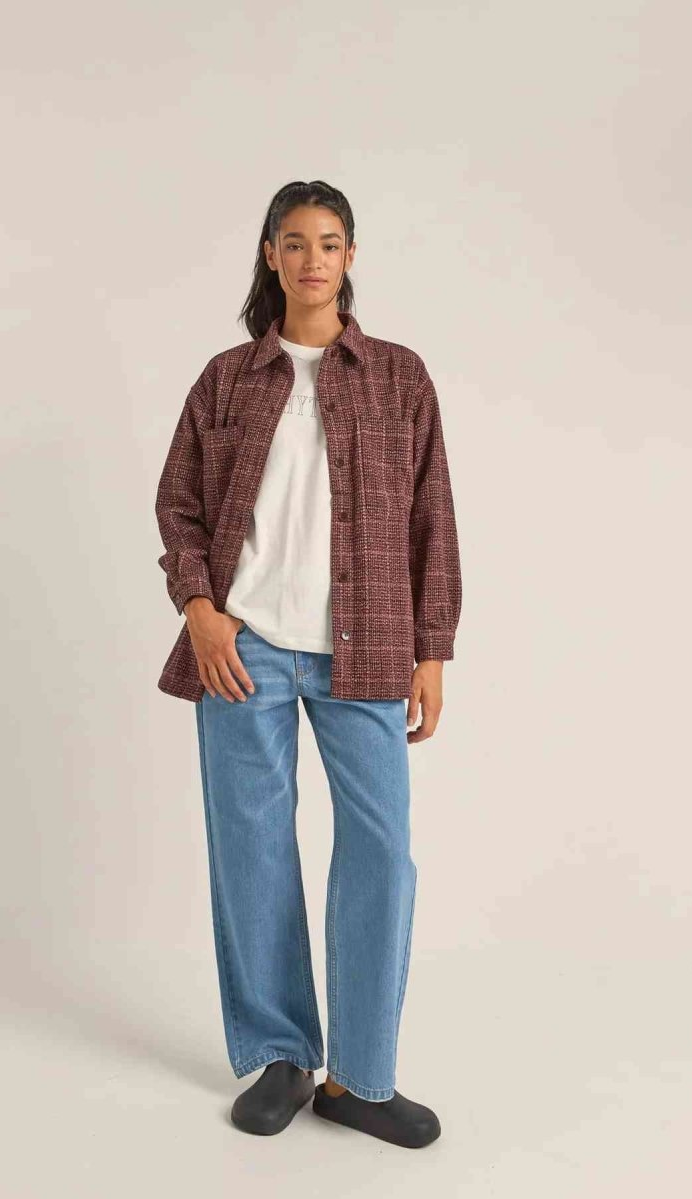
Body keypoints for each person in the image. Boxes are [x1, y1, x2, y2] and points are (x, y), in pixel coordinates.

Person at [154, 180, 462, 1149]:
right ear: (270, 256)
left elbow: (432, 516)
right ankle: (282, 1055)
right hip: (241, 648)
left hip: (365, 647)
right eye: (294, 242)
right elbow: (178, 506)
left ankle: (358, 1078)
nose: (312, 259)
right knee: (251, 849)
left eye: (329, 242)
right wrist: (201, 613)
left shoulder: (399, 377)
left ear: (350, 256)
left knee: (381, 851)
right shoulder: (226, 380)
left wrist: (433, 650)